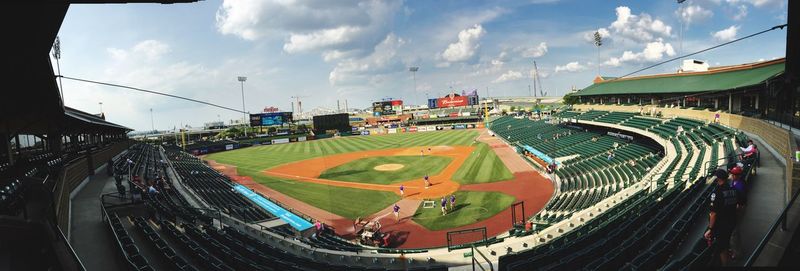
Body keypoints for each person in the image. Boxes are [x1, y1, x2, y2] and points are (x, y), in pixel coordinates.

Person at [704, 169, 740, 266]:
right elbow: (737, 206)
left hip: (721, 226)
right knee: (726, 242)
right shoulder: (733, 190)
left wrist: (710, 229)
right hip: (732, 222)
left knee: (721, 248)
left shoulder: (717, 192)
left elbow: (713, 214)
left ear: (718, 179)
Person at [728, 165, 746, 259]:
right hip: (736, 208)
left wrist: (737, 208)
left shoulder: (740, 185)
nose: (731, 175)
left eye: (733, 174)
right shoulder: (735, 181)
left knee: (734, 232)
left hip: (737, 209)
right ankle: (736, 250)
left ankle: (737, 253)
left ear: (737, 175)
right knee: (735, 231)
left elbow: (740, 201)